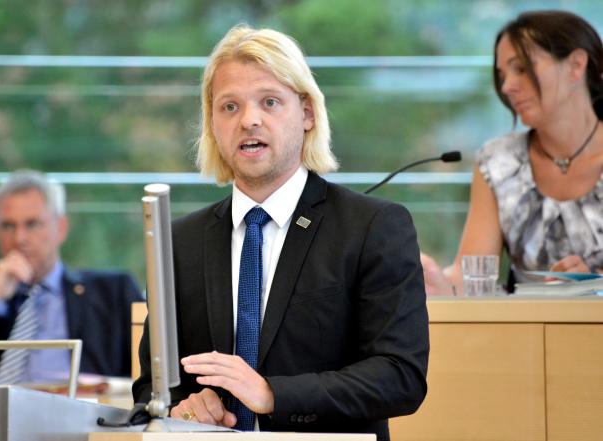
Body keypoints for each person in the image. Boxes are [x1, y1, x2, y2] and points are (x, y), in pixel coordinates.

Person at [132, 25, 428, 439]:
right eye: (229, 107)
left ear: (307, 113)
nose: (249, 120)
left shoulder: (374, 227)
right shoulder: (179, 242)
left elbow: (400, 376)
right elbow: (152, 388)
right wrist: (185, 408)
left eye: (269, 102)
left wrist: (274, 394)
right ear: (212, 124)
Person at [422, 10, 603, 295]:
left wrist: (593, 285)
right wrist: (434, 280)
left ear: (576, 65)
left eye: (521, 68)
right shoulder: (498, 161)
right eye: (502, 75)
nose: (507, 87)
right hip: (523, 336)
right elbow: (469, 277)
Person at [0, 170, 143, 384]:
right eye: (8, 226)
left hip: (85, 411)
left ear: (61, 228)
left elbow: (148, 374)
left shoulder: (112, 293)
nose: (19, 238)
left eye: (32, 224)